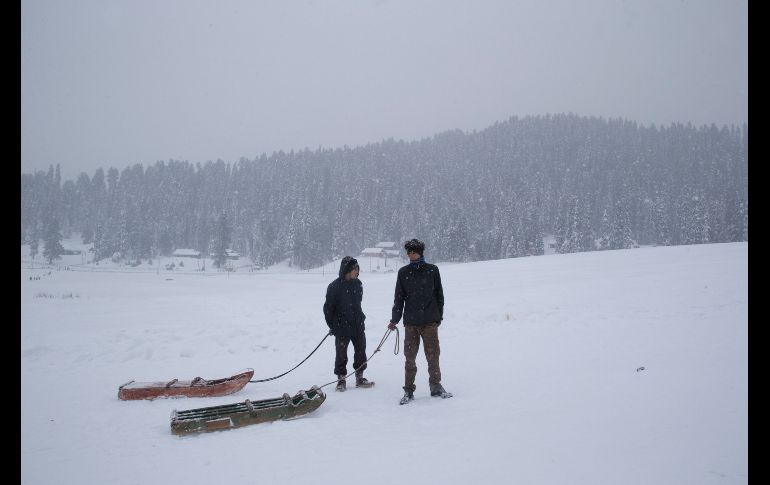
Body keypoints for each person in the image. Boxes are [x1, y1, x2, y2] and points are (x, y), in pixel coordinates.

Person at [388, 239, 452, 404]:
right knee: (409, 357)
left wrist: (438, 317)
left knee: (433, 356)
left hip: (430, 321)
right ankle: (408, 390)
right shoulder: (403, 272)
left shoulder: (432, 270)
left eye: (413, 251)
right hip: (411, 323)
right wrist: (394, 319)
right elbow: (399, 299)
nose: (411, 254)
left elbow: (439, 296)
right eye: (408, 252)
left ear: (420, 252)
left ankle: (436, 386)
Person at [324, 256, 374, 391]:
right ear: (348, 270)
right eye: (355, 269)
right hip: (341, 327)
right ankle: (341, 380)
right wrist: (333, 326)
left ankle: (360, 377)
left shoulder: (358, 284)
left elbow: (358, 304)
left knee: (361, 352)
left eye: (358, 269)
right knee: (341, 354)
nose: (358, 272)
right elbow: (328, 309)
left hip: (358, 324)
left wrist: (359, 319)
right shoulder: (334, 286)